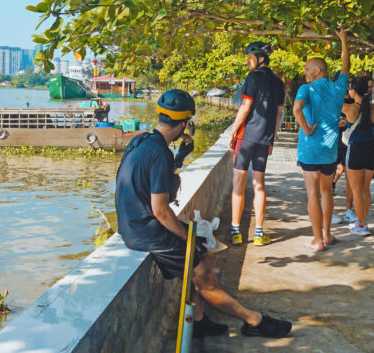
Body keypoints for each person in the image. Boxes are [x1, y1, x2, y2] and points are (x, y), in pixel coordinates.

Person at [115, 89, 293, 340]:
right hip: (147, 231)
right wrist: (188, 237)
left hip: (133, 225)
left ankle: (198, 320)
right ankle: (254, 320)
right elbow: (160, 210)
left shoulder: (142, 142)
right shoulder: (159, 152)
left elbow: (154, 180)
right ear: (185, 123)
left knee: (206, 254)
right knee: (205, 275)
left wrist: (180, 158)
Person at [293, 30, 351, 252]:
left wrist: (306, 128)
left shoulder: (306, 89)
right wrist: (344, 40)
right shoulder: (338, 88)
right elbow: (346, 66)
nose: (305, 73)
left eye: (307, 69)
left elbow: (297, 108)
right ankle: (327, 235)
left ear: (317, 71)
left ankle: (317, 241)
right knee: (327, 191)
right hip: (329, 151)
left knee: (312, 193)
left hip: (309, 151)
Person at [226, 42, 286, 246]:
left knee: (238, 183)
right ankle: (259, 234)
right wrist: (272, 137)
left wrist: (233, 132)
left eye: (250, 57)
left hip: (246, 137)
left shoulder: (253, 77)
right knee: (259, 185)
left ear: (261, 58)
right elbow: (278, 114)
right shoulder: (279, 83)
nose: (247, 61)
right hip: (264, 139)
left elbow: (245, 106)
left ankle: (235, 231)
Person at [341, 76, 374, 235]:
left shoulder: (348, 108)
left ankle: (361, 224)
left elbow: (335, 101)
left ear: (354, 91)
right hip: (371, 150)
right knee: (366, 189)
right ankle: (362, 221)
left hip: (356, 150)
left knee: (356, 190)